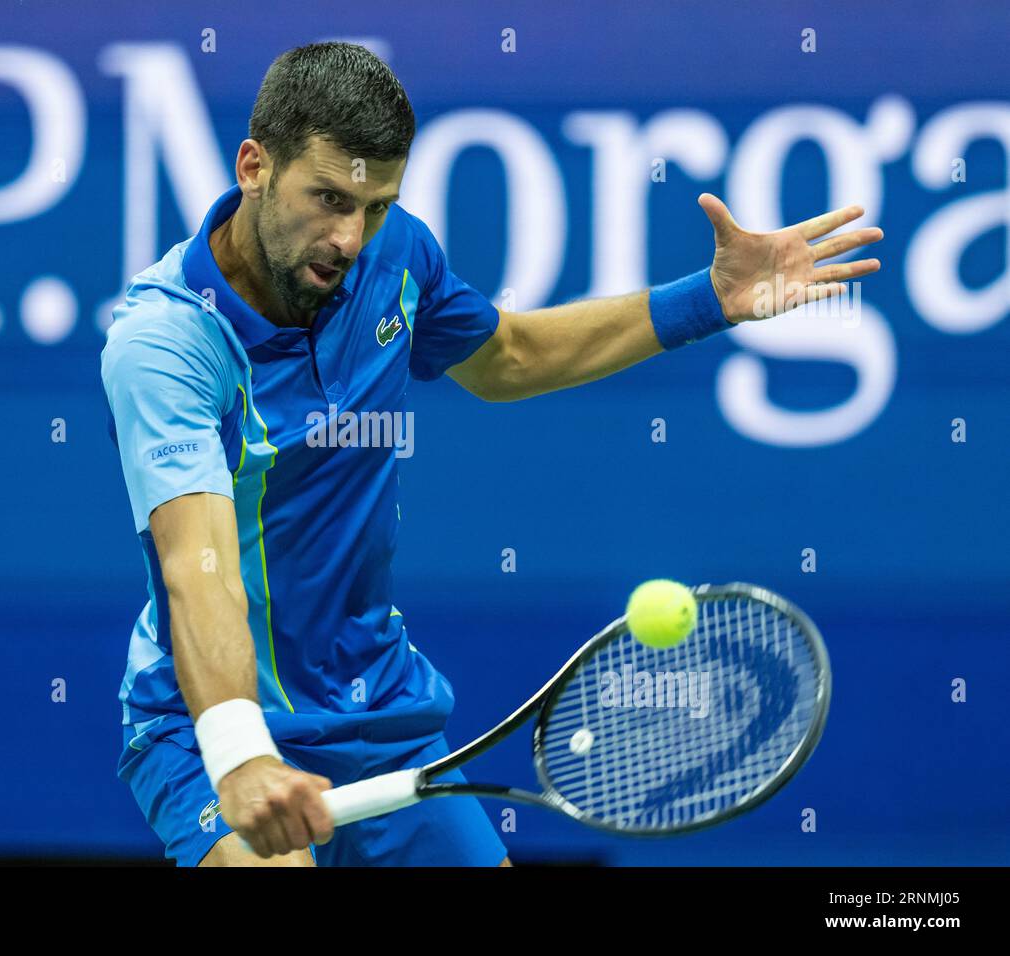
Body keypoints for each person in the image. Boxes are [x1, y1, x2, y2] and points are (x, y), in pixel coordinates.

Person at [101, 41, 882, 866]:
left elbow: (505, 358)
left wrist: (709, 300)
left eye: (373, 206)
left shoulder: (395, 255)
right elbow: (199, 569)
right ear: (254, 165)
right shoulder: (166, 344)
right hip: (208, 723)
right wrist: (241, 753)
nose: (348, 238)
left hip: (377, 709)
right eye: (326, 197)